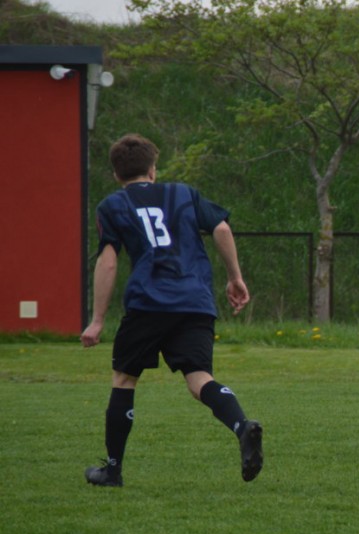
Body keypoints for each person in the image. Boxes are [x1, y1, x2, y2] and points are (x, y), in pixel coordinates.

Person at [81, 133, 263, 487]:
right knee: (199, 379)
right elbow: (221, 227)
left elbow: (108, 262)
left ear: (116, 174)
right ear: (153, 170)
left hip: (148, 302)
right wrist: (235, 277)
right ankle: (242, 425)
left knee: (124, 379)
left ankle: (112, 471)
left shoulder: (112, 205)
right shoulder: (183, 193)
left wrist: (97, 320)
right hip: (195, 301)